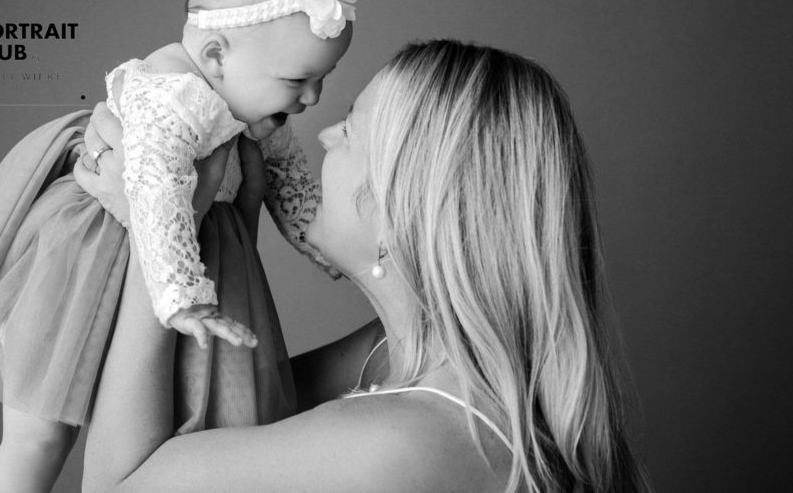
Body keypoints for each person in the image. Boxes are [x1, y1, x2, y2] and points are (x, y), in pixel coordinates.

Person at [77, 39, 650, 492]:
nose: (324, 134)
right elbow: (229, 411)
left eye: (350, 131)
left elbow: (116, 483)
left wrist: (154, 228)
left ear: (397, 218)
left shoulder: (399, 443)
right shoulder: (400, 353)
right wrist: (219, 236)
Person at [0, 0, 360, 492]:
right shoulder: (171, 94)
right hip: (98, 254)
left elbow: (291, 182)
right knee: (38, 435)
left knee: (183, 426)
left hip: (184, 259)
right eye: (297, 80)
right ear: (215, 54)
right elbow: (158, 193)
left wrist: (327, 247)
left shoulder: (253, 98)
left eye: (322, 79)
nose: (313, 98)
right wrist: (184, 295)